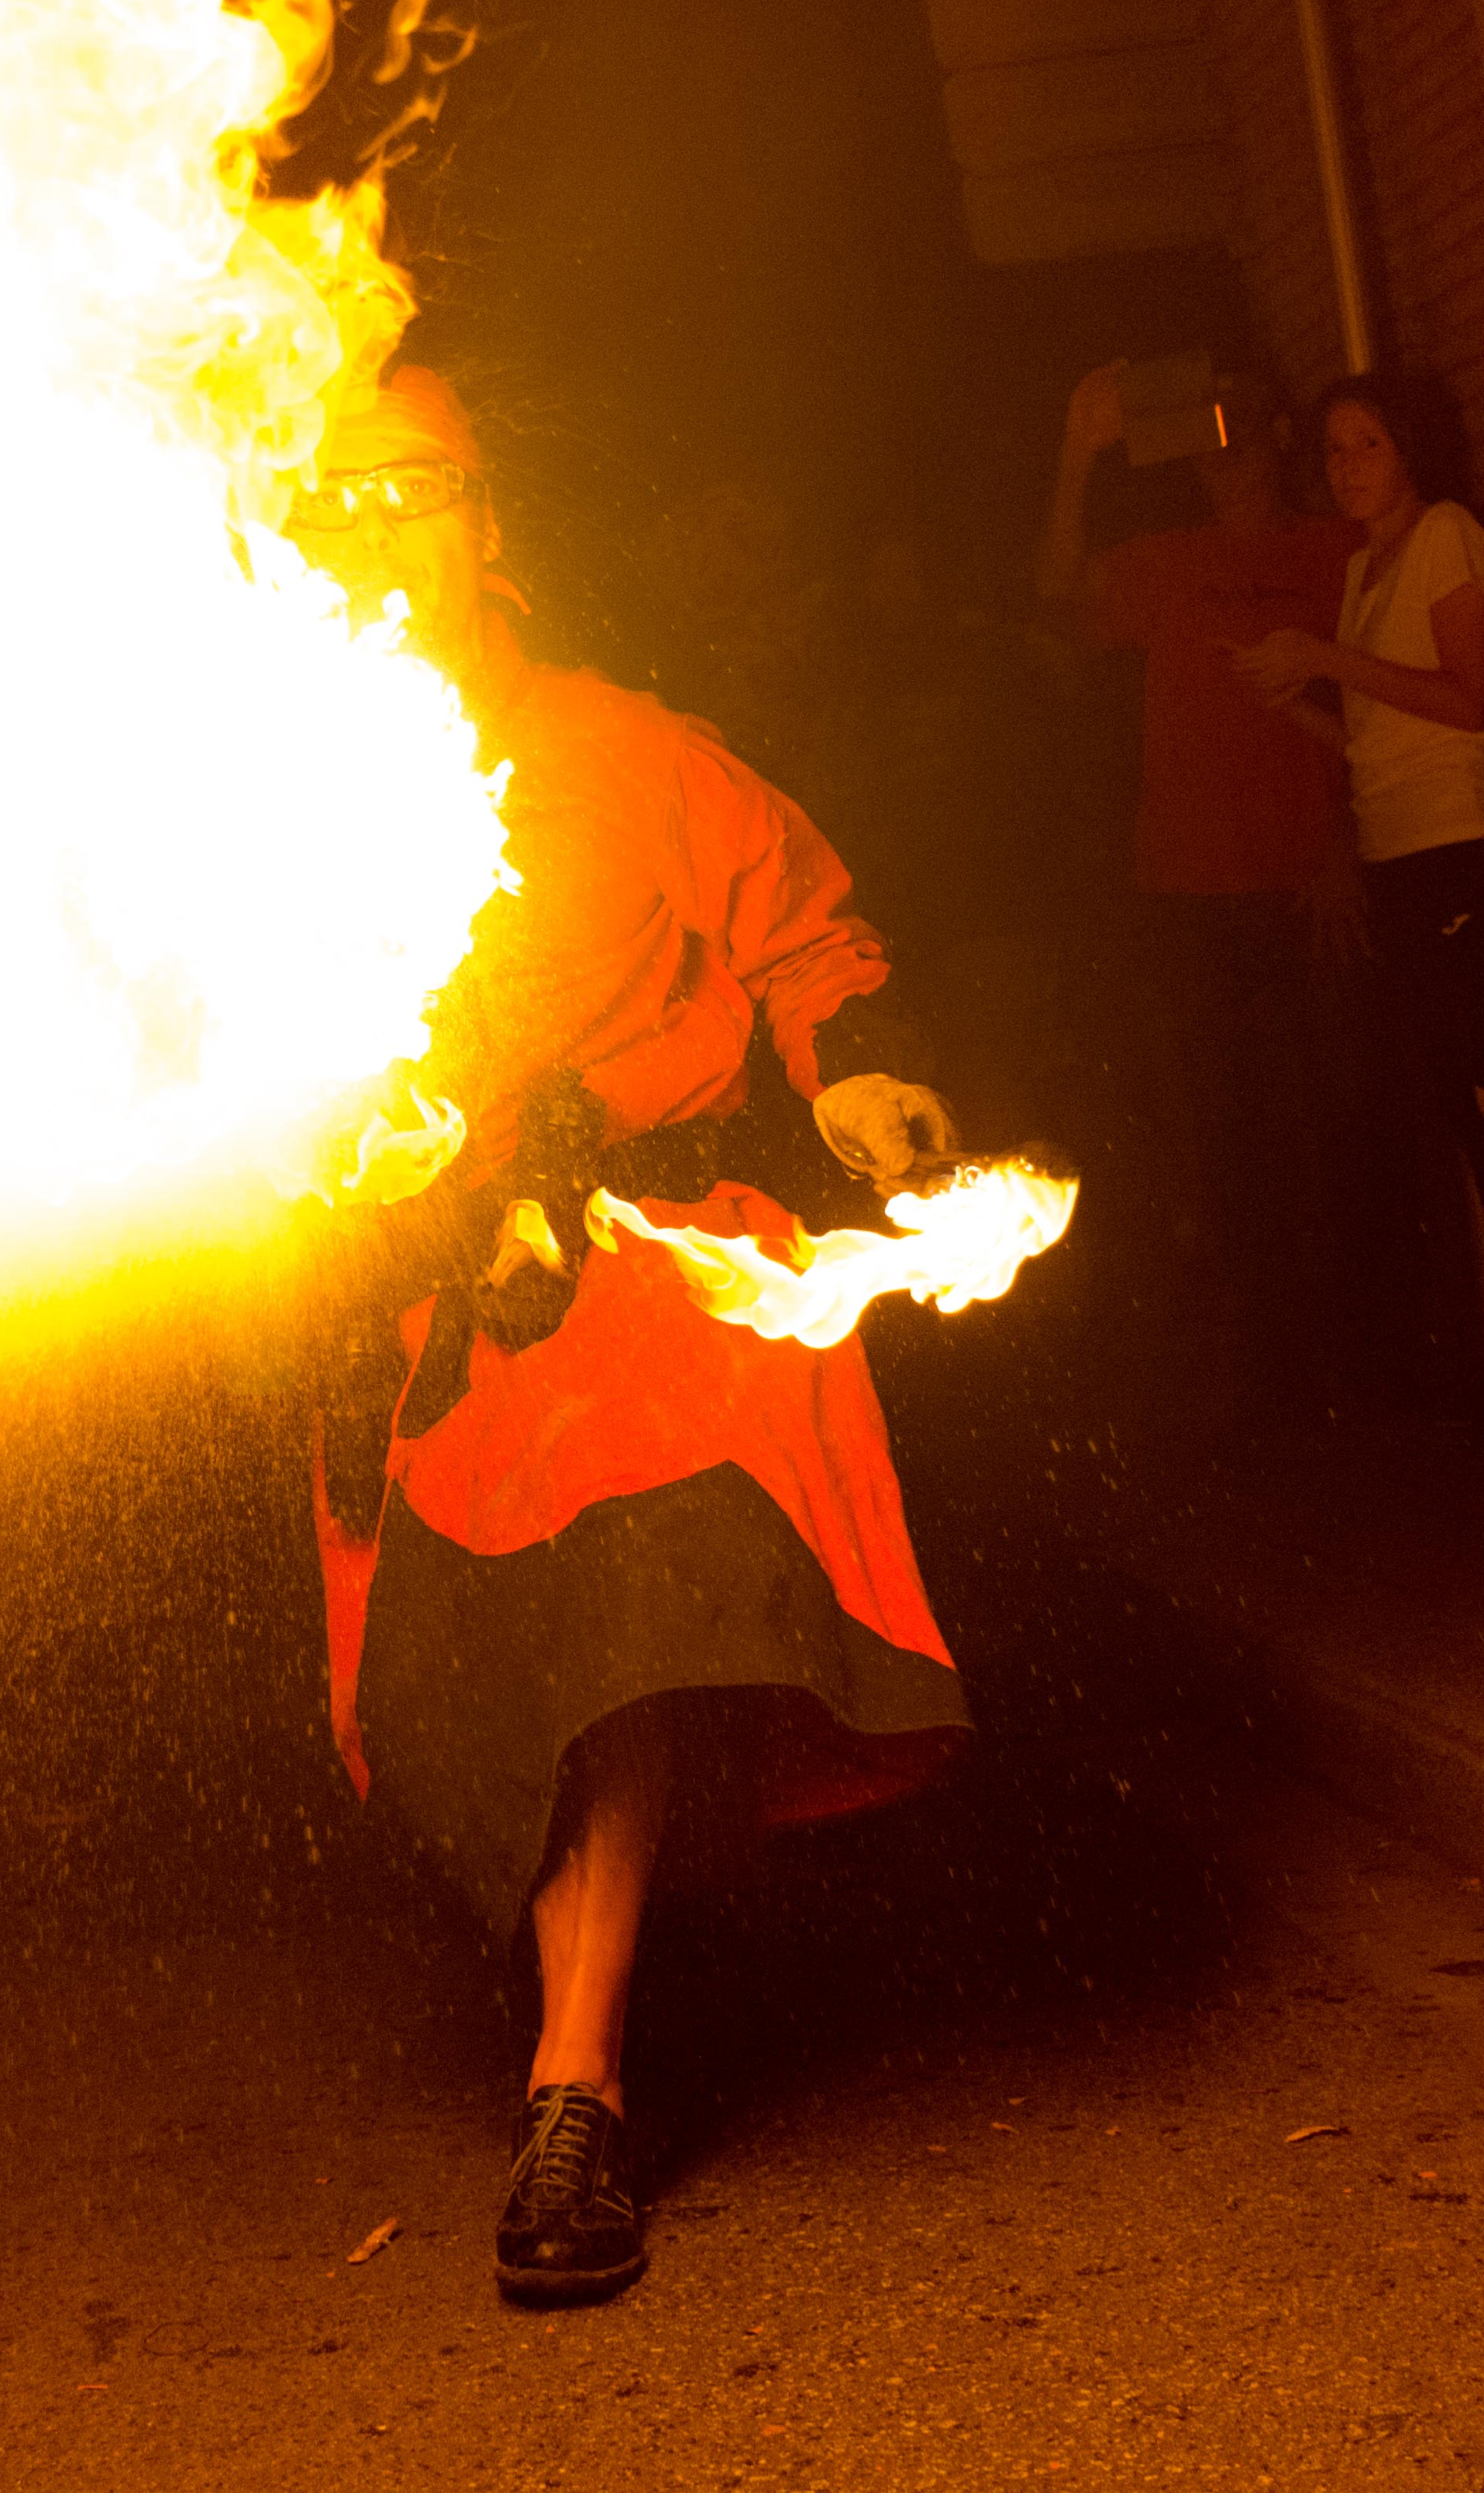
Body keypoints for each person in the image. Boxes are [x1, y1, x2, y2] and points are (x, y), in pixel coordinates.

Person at [285, 365, 972, 2309]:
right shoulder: (254, 784)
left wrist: (861, 1076)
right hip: (441, 1301)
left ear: (488, 522)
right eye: (335, 495)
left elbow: (810, 943)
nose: (378, 525)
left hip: (658, 1270)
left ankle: (572, 2083)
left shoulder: (630, 749)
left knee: (629, 1590)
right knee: (476, 1694)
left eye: (414, 487)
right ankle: (617, 1949)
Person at [1224, 374, 1484, 1435]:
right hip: (1404, 853)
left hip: (1470, 846)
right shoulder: (1362, 569)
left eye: (1370, 446)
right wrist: (1294, 697)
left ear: (1414, 455)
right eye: (1338, 449)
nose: (1348, 466)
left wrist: (1326, 658)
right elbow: (1378, 734)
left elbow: (1464, 699)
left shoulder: (1449, 538)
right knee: (1456, 1097)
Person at [1036, 359, 1359, 1409]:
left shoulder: (1333, 554)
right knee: (1220, 1131)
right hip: (1186, 882)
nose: (1223, 458)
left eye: (1237, 431)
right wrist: (1080, 456)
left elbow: (1386, 706)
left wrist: (1345, 851)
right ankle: (1269, 1374)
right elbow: (1056, 596)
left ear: (1275, 435)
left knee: (1322, 1120)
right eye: (1202, 440)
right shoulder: (1170, 560)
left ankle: (1355, 1359)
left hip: (1304, 878)